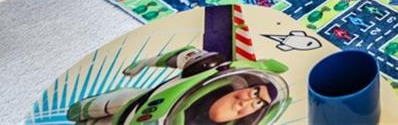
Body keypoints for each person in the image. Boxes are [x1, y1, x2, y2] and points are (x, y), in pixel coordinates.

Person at [64, 46, 287, 125]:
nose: (246, 101)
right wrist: (142, 64)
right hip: (137, 103)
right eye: (254, 92)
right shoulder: (207, 70)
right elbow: (181, 55)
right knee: (90, 109)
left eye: (258, 103)